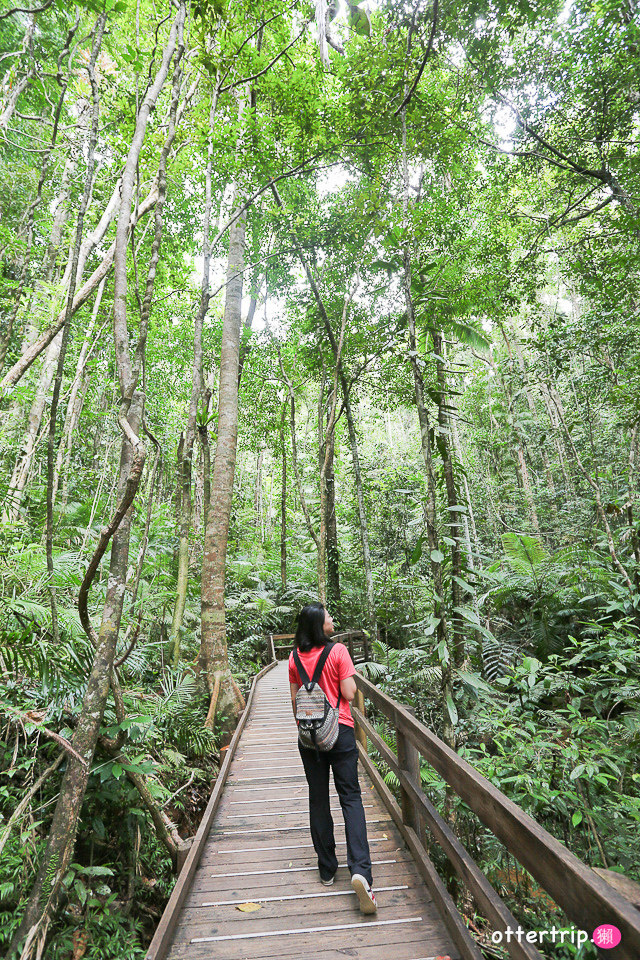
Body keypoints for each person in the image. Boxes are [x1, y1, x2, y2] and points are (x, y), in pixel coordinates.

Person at [288, 601, 376, 914]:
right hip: (339, 732)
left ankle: (327, 868)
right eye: (328, 617)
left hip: (308, 737)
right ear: (318, 625)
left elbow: (295, 700)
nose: (333, 619)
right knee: (350, 798)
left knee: (318, 798)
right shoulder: (338, 652)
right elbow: (350, 694)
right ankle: (360, 872)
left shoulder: (294, 656)